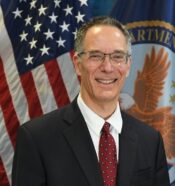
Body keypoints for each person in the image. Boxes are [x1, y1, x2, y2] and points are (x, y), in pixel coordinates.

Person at [12, 16, 170, 186]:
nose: (107, 67)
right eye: (96, 56)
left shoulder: (150, 141)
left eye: (117, 56)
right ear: (78, 64)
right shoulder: (36, 139)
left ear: (128, 65)